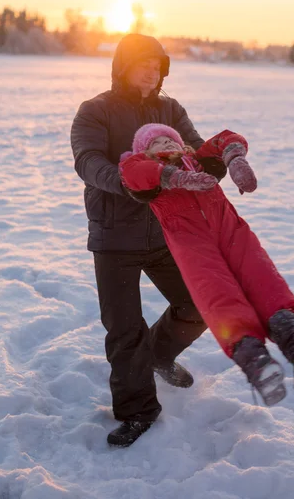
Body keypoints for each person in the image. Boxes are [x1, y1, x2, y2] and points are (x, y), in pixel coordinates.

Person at [71, 34, 227, 448]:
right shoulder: (95, 110)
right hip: (114, 236)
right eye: (143, 63)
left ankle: (160, 353)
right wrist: (128, 182)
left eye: (157, 65)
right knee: (124, 331)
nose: (151, 71)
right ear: (122, 65)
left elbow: (192, 148)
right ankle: (138, 412)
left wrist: (215, 159)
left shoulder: (169, 109)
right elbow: (87, 162)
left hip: (164, 230)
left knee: (198, 304)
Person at [119, 124, 294, 411]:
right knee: (220, 297)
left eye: (170, 139)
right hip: (194, 248)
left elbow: (225, 138)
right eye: (156, 142)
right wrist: (174, 176)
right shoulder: (144, 170)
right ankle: (257, 364)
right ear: (145, 152)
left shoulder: (198, 160)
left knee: (267, 284)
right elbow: (131, 172)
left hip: (234, 234)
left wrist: (235, 158)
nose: (166, 143)